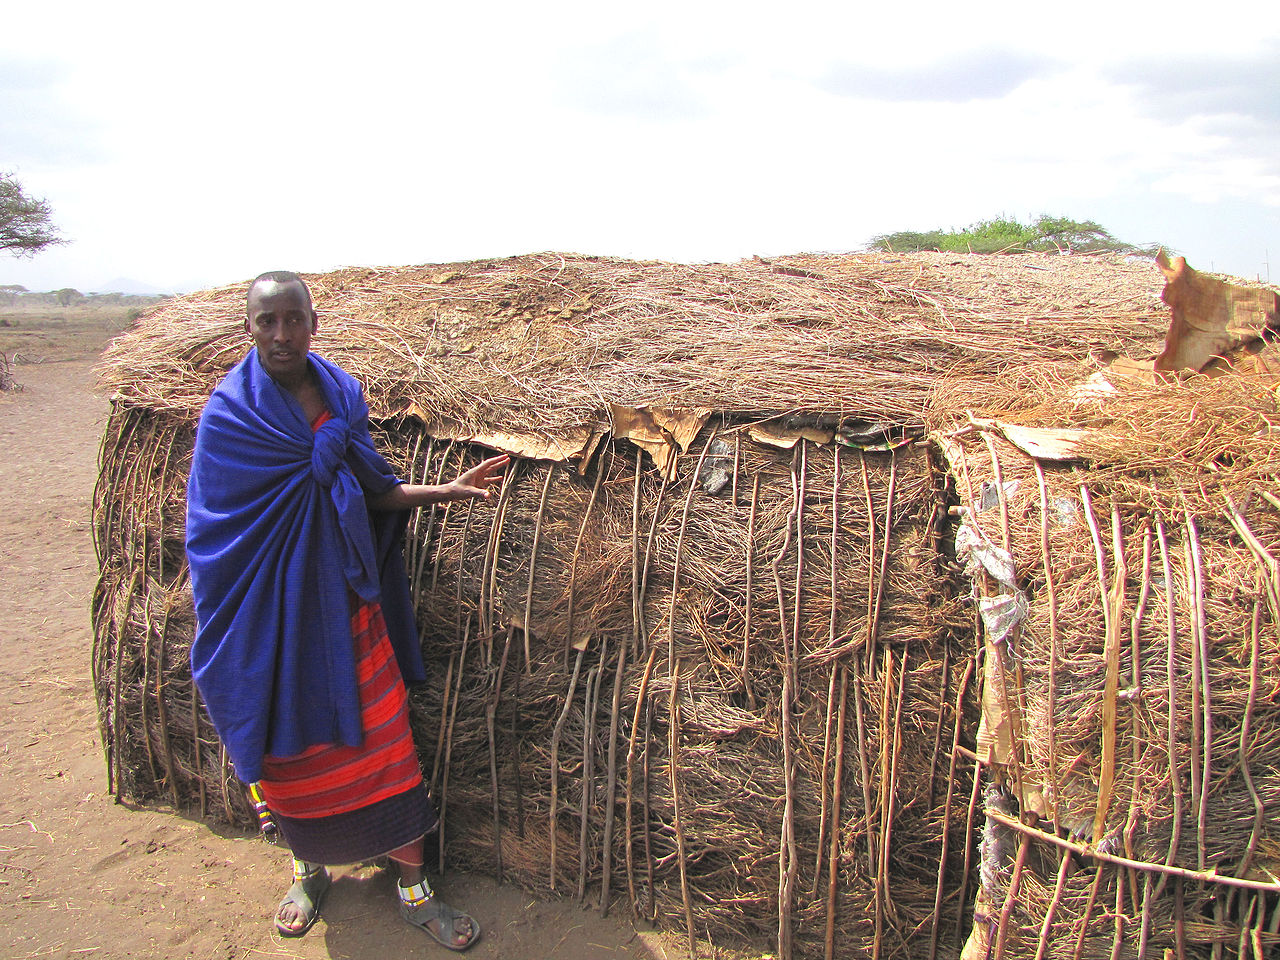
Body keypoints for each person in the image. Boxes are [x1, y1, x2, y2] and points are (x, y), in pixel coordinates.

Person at [186, 270, 505, 949]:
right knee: (288, 753)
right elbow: (215, 533)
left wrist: (445, 490)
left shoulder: (339, 397)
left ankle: (415, 892)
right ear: (249, 328)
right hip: (272, 618)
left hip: (347, 609)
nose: (280, 334)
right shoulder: (230, 417)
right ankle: (308, 872)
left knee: (387, 746)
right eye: (266, 321)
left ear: (312, 324)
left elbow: (374, 490)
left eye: (292, 319)